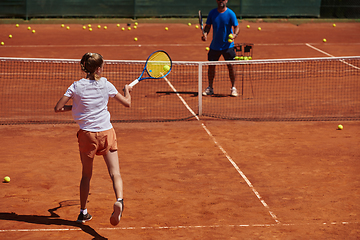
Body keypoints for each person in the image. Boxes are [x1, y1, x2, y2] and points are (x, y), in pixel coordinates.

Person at [54, 52, 132, 226]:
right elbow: (127, 103)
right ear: (98, 69)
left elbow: (58, 108)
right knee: (115, 173)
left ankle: (83, 213)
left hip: (87, 136)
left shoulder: (75, 86)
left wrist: (75, 108)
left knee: (86, 176)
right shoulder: (106, 84)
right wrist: (127, 91)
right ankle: (119, 200)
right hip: (107, 134)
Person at [201, 0, 240, 97]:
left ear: (226, 1)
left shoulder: (231, 13)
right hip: (215, 46)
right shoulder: (212, 13)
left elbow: (237, 27)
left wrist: (234, 35)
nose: (221, 1)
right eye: (219, 0)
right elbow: (208, 26)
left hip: (228, 46)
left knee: (231, 67)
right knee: (211, 67)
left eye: (223, 0)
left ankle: (233, 88)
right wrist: (205, 34)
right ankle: (210, 87)